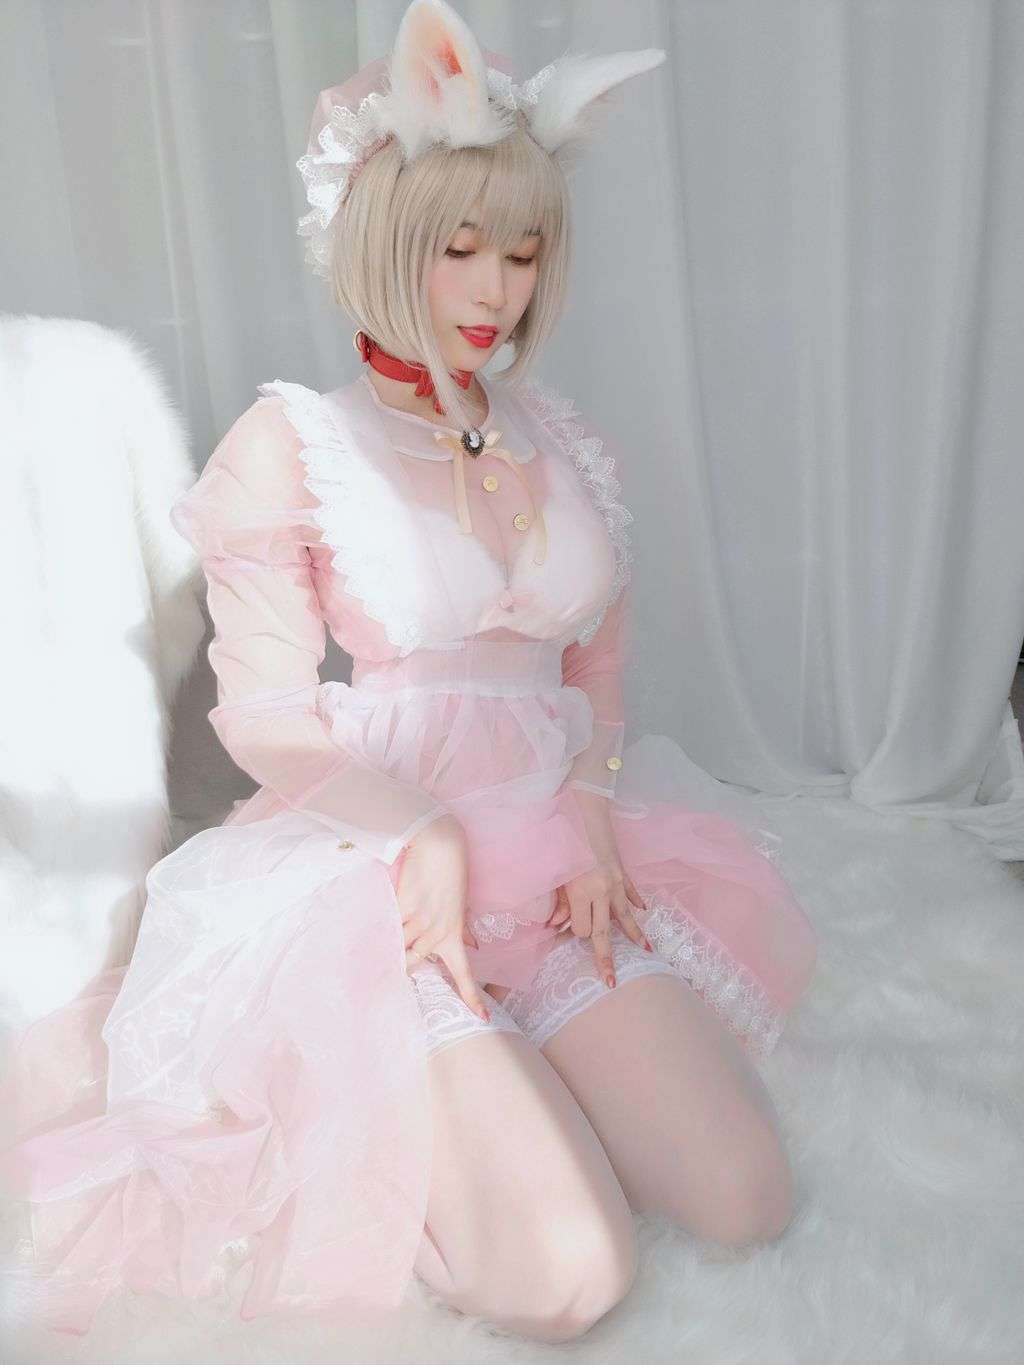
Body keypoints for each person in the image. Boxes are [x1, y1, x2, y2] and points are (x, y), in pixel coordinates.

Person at [0, 0, 818, 1344]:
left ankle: (530, 1078)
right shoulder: (293, 446)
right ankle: (444, 1120)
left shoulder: (569, 448)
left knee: (745, 1197)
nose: (497, 291)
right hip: (376, 877)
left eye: (524, 252)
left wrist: (594, 815)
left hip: (550, 863)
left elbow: (595, 678)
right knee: (566, 1276)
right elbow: (266, 715)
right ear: (385, 239)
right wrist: (419, 830)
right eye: (460, 248)